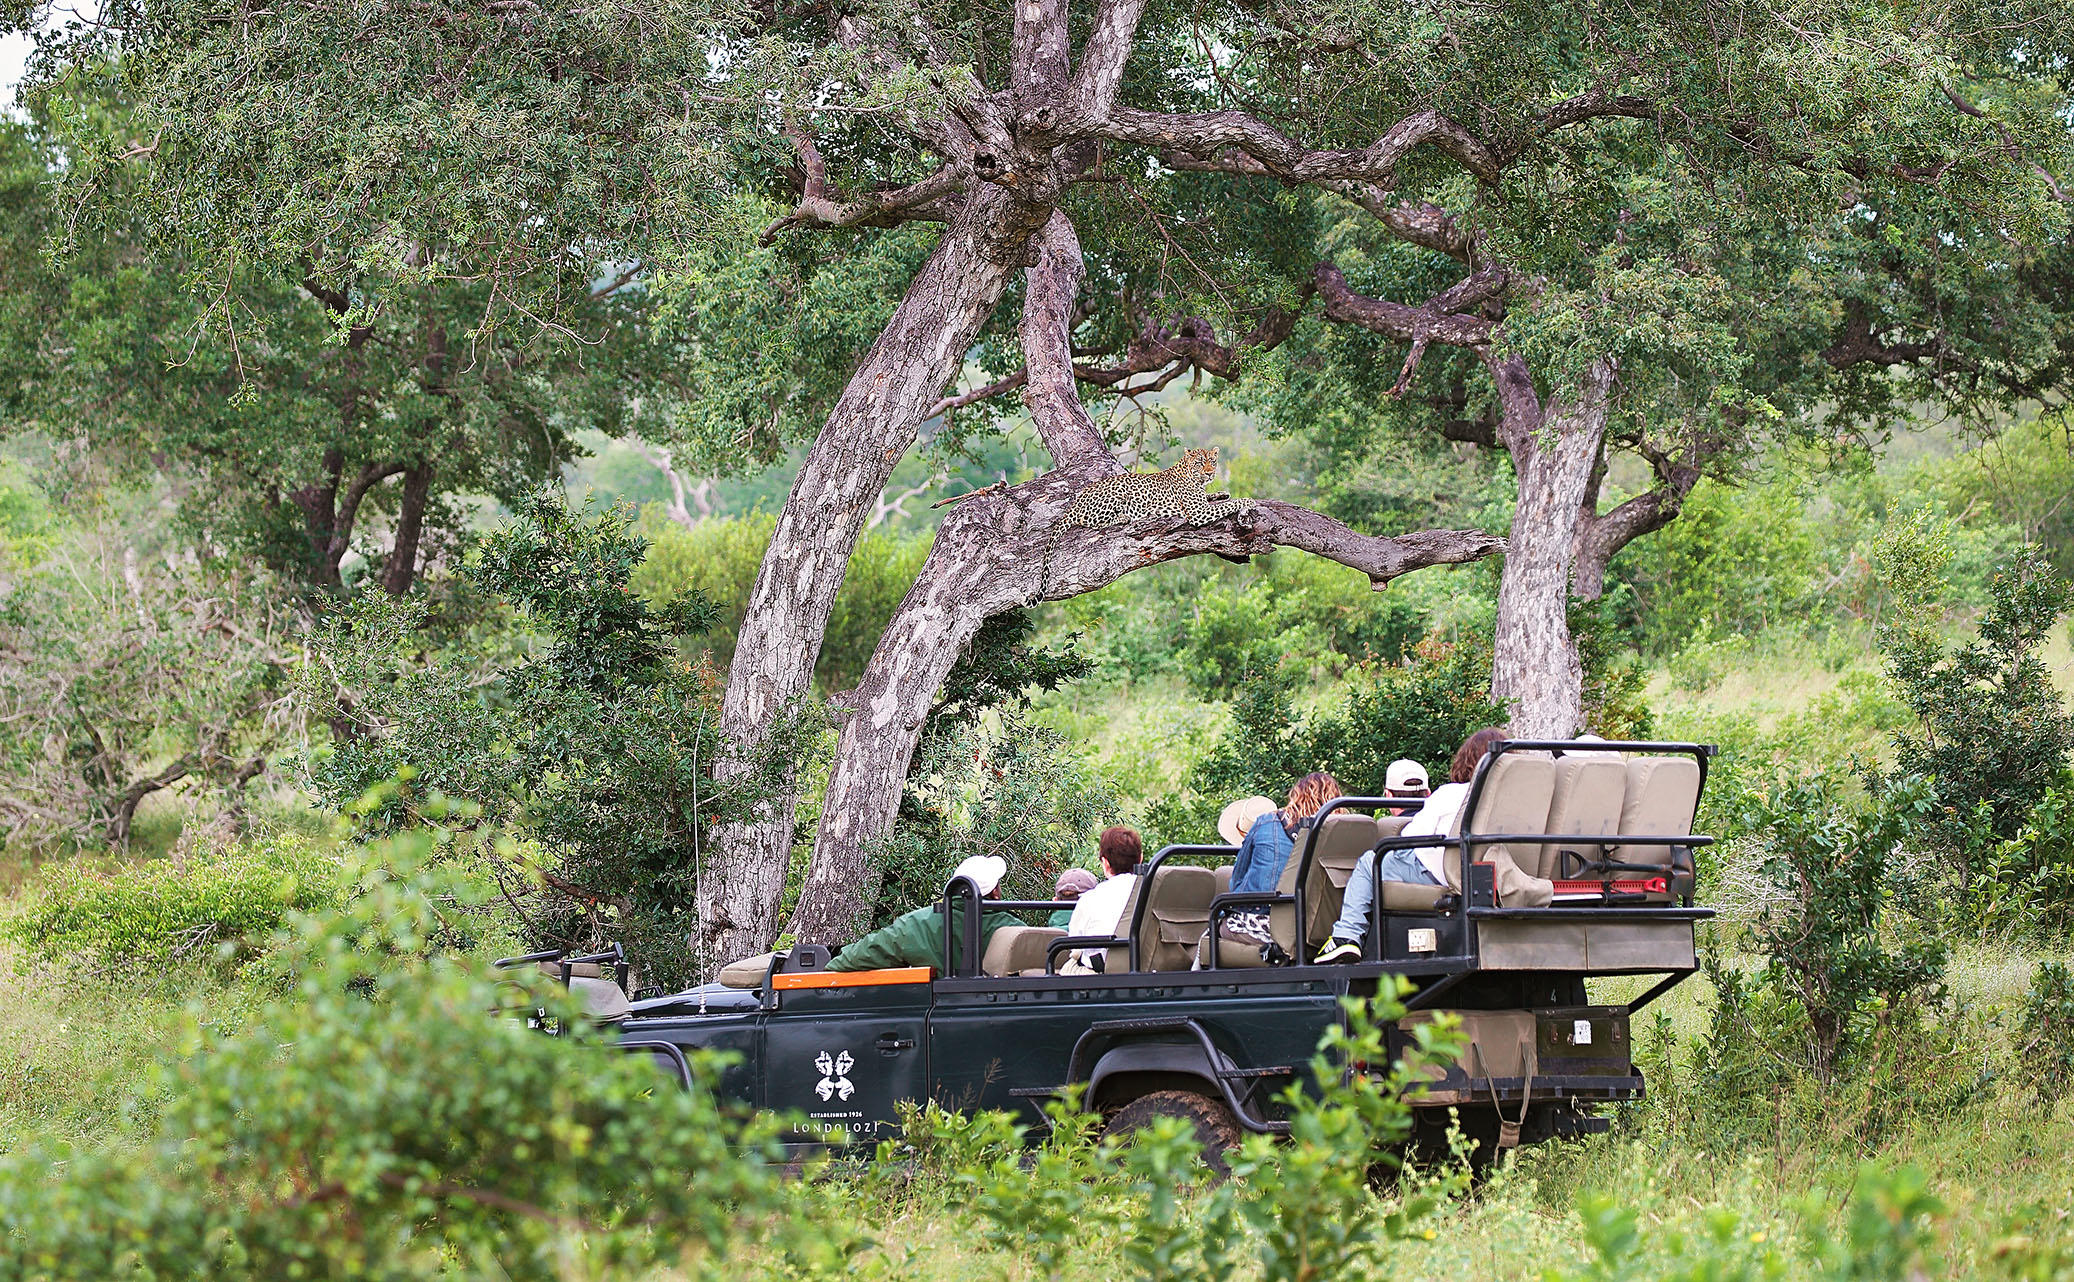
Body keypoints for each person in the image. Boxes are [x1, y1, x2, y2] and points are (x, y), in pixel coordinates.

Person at [1315, 728, 1508, 963]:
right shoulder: (1513, 799)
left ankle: (1347, 936)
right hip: (1496, 877)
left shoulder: (1451, 793)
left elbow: (1410, 837)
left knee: (1370, 861)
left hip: (1446, 877)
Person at [828, 855, 1018, 972]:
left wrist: (828, 969)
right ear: (995, 892)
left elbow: (860, 956)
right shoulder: (1014, 930)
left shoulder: (916, 924)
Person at [1230, 773, 1344, 896]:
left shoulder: (1268, 821)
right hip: (1319, 912)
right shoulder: (1342, 833)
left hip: (1258, 908)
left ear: (1296, 796)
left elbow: (1237, 879)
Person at [1063, 826, 1143, 967]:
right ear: (1140, 858)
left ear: (1105, 863)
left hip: (1102, 976)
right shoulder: (1156, 892)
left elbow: (1075, 945)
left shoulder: (1090, 899)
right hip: (1152, 970)